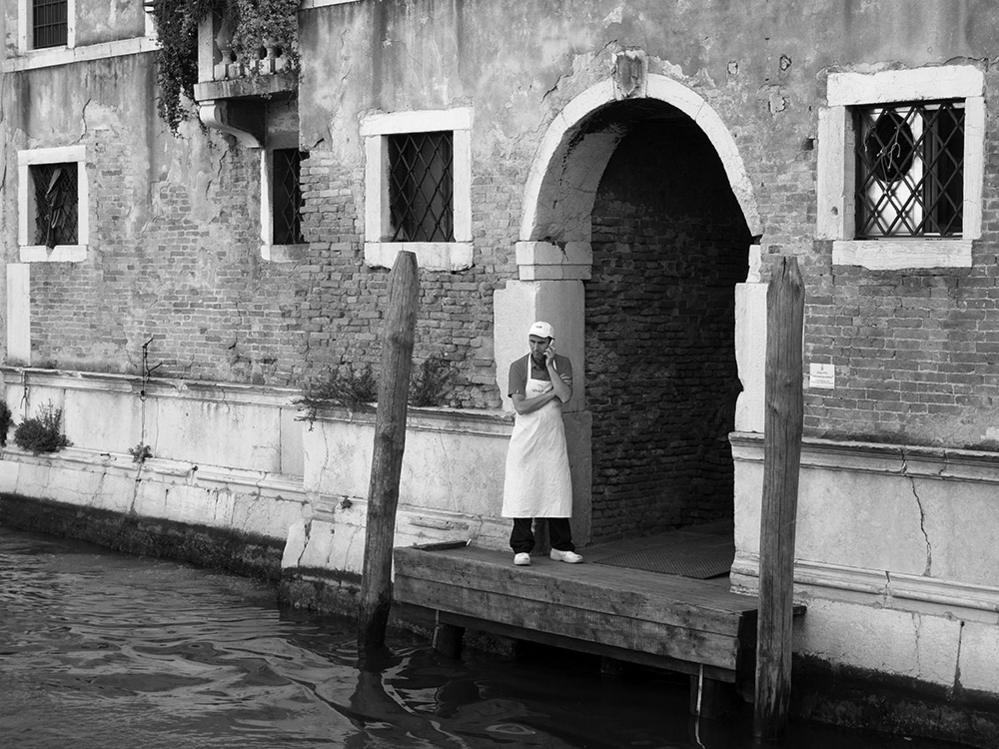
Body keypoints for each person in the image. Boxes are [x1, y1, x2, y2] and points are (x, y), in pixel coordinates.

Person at [501, 321, 583, 566]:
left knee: (556, 488)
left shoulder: (562, 364)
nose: (536, 347)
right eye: (532, 342)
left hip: (552, 437)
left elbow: (566, 395)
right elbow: (521, 406)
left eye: (541, 342)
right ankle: (521, 547)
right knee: (522, 489)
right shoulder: (517, 367)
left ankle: (560, 546)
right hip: (525, 439)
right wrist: (550, 393)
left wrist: (550, 367)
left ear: (550, 344)